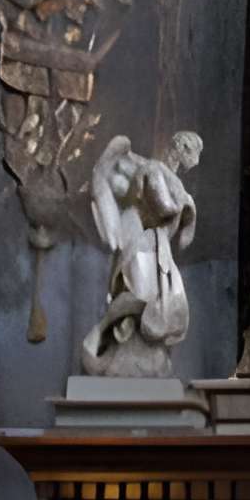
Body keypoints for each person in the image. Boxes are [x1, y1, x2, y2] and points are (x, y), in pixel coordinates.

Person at [82, 131, 201, 376]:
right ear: (178, 148)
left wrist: (186, 209)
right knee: (139, 295)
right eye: (190, 151)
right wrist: (186, 205)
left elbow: (181, 239)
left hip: (154, 241)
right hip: (136, 234)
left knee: (155, 299)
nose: (194, 161)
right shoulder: (154, 169)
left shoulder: (168, 177)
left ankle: (129, 346)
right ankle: (102, 333)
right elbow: (163, 207)